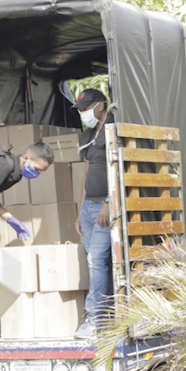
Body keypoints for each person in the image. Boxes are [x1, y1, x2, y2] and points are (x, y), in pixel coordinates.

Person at [72, 88, 114, 339]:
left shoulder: (112, 128)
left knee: (96, 260)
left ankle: (95, 319)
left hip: (105, 206)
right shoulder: (89, 135)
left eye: (86, 108)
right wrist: (81, 209)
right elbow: (86, 172)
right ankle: (106, 315)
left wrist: (110, 202)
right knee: (96, 262)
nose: (83, 113)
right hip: (89, 207)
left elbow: (118, 165)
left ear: (100, 105)